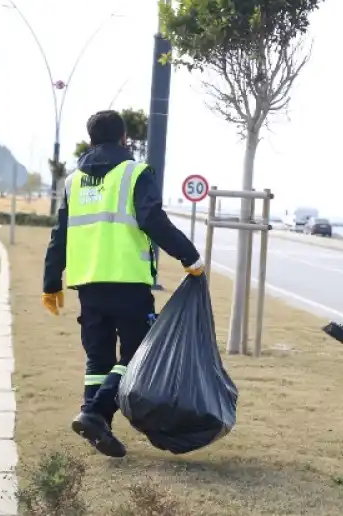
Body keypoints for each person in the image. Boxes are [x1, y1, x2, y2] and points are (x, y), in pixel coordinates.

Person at [42, 110, 204, 458]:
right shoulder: (134, 173)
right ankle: (96, 414)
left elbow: (60, 234)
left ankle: (96, 425)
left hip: (88, 283)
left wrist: (51, 281)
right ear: (123, 138)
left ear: (90, 140)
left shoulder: (73, 182)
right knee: (138, 352)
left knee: (98, 357)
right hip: (128, 281)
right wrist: (189, 256)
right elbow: (152, 219)